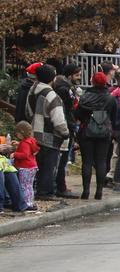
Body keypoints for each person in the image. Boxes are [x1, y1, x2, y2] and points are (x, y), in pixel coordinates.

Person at [25, 64, 70, 199]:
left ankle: (38, 189)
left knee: (39, 164)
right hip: (50, 134)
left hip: (34, 132)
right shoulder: (51, 95)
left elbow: (28, 112)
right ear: (52, 78)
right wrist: (65, 132)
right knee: (49, 166)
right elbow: (58, 118)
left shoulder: (32, 90)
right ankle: (46, 192)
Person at [75, 71, 120, 200]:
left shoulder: (85, 97)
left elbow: (77, 114)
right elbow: (114, 116)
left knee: (87, 161)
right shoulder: (110, 98)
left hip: (86, 131)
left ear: (92, 82)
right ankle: (99, 191)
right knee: (101, 161)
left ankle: (86, 191)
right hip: (104, 132)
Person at [11, 121, 40, 210]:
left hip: (25, 168)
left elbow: (25, 154)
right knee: (29, 186)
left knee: (24, 186)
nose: (16, 136)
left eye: (17, 134)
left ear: (22, 133)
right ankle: (30, 202)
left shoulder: (24, 143)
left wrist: (14, 154)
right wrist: (19, 144)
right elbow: (30, 149)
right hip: (32, 167)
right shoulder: (30, 140)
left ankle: (26, 203)